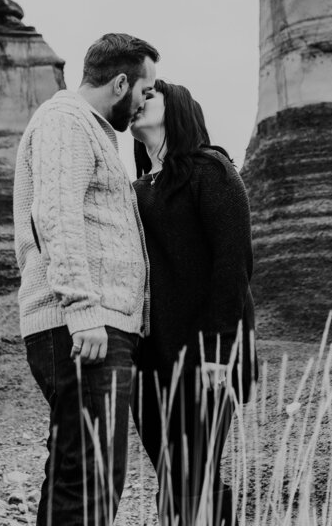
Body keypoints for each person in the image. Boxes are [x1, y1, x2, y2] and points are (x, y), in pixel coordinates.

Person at [13, 33, 159, 526]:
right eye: (144, 90)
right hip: (84, 329)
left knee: (85, 475)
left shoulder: (86, 128)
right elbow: (57, 216)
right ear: (120, 83)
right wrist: (81, 311)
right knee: (89, 479)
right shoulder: (65, 121)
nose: (144, 103)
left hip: (91, 327)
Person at [129, 79, 257, 526]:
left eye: (151, 94)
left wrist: (219, 352)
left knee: (193, 472)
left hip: (207, 355)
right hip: (151, 358)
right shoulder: (138, 189)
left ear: (178, 108)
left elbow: (233, 264)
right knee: (173, 474)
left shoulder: (212, 170)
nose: (139, 100)